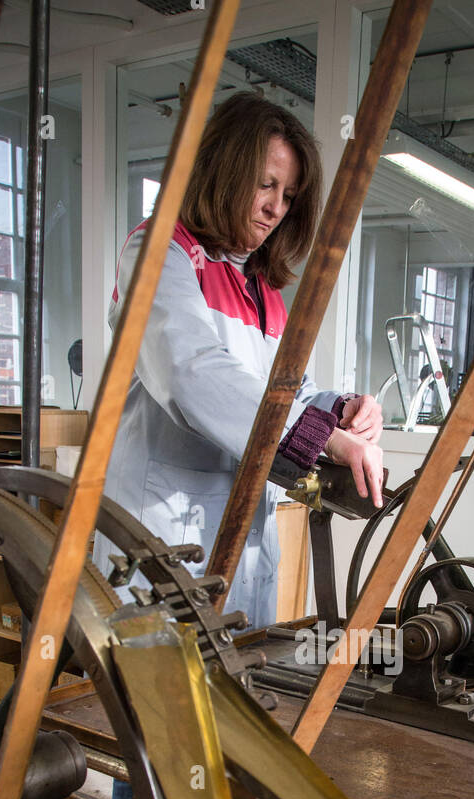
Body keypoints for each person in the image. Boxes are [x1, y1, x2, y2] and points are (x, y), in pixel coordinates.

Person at [94, 90, 384, 632]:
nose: (276, 208)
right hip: (163, 522)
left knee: (241, 691)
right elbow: (191, 372)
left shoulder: (260, 289)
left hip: (241, 526)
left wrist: (339, 409)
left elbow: (284, 391)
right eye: (265, 185)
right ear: (224, 171)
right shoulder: (162, 253)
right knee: (162, 699)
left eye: (290, 195)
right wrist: (314, 436)